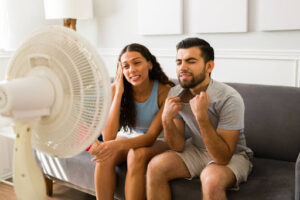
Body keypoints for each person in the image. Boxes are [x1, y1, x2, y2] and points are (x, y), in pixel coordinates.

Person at [146, 38, 253, 200]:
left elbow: (222, 157)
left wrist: (201, 117)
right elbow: (177, 146)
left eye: (191, 61)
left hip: (233, 155)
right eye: (179, 62)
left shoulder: (229, 98)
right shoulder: (175, 93)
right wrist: (166, 120)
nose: (182, 67)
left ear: (209, 66)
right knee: (155, 166)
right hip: (195, 149)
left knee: (211, 179)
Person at [89, 43, 174, 200]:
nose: (131, 70)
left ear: (149, 64)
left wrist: (114, 145)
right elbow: (108, 137)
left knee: (136, 155)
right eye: (126, 66)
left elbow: (151, 136)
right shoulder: (116, 88)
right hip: (129, 135)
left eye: (137, 63)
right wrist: (119, 91)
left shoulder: (165, 91)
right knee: (105, 155)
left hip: (160, 138)